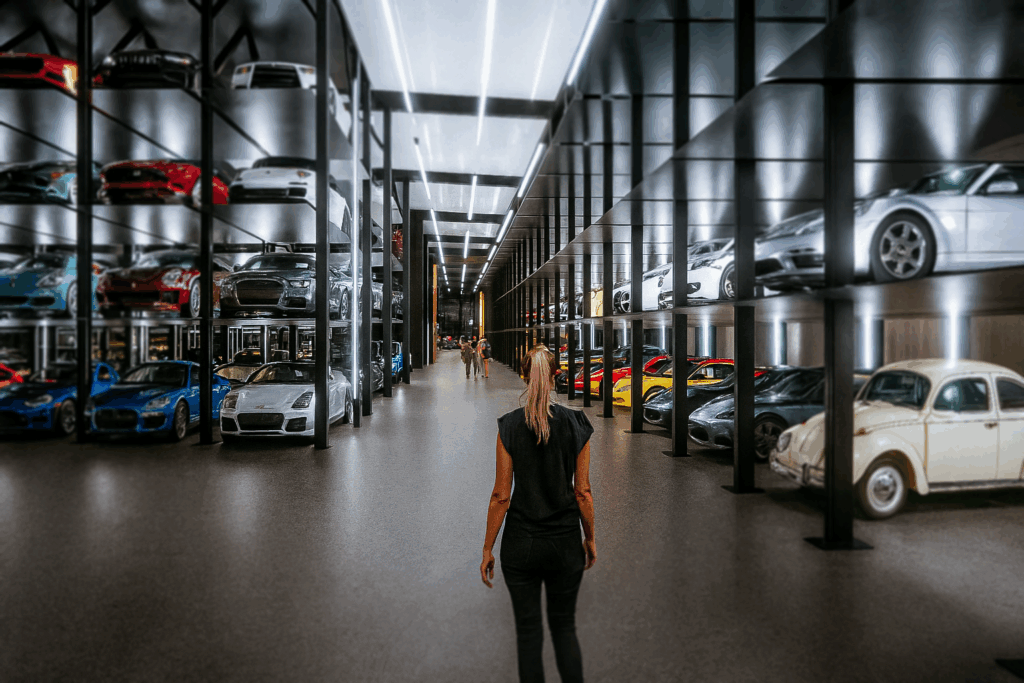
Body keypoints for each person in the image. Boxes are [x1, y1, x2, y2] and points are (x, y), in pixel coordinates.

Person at [481, 344, 597, 683]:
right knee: (564, 629)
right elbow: (583, 492)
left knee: (529, 634)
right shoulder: (577, 424)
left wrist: (488, 547)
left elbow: (501, 496)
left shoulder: (510, 426)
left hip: (521, 546)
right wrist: (589, 538)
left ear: (523, 375)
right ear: (556, 376)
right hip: (564, 545)